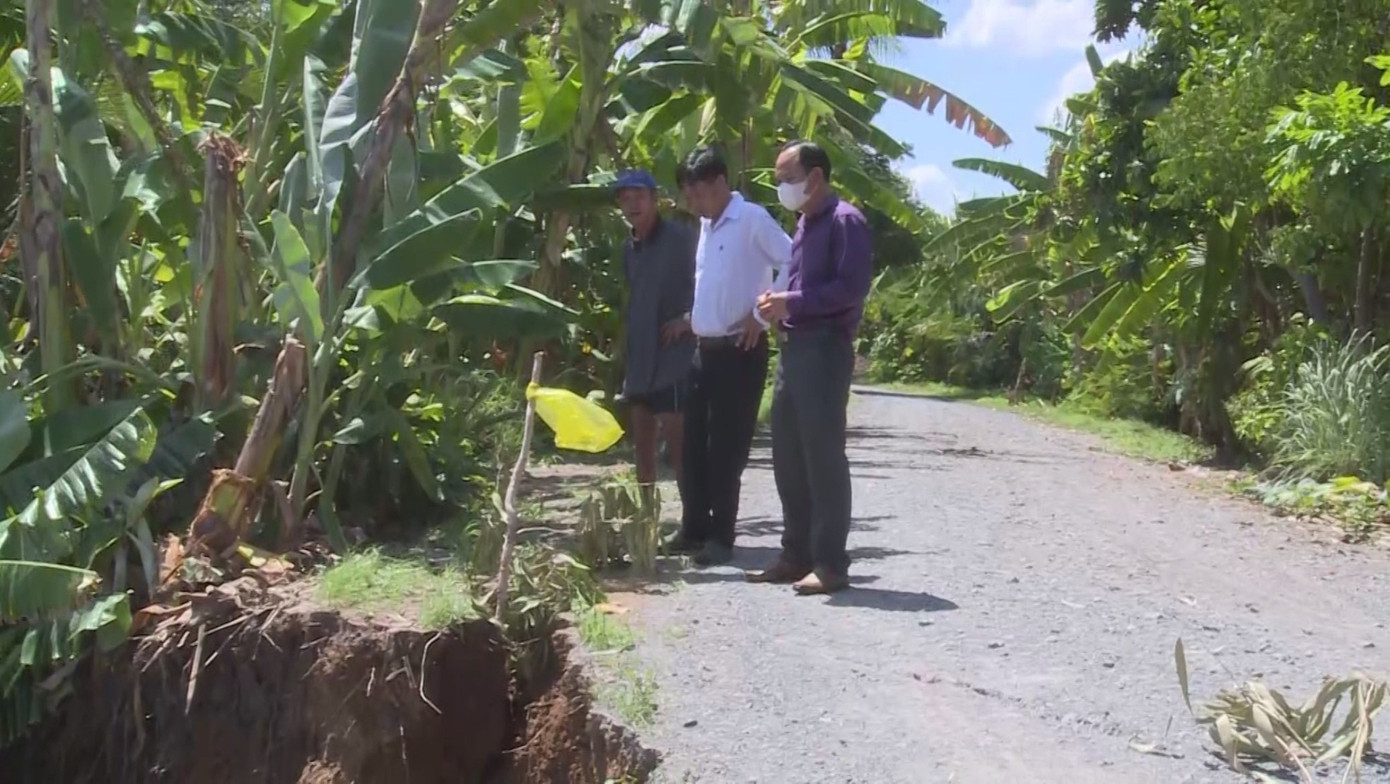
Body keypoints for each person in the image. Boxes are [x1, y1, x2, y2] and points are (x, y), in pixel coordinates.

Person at [749, 140, 873, 595]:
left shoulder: (846, 221)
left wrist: (792, 302)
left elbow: (851, 289)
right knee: (788, 455)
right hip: (794, 347)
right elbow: (799, 285)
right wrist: (777, 304)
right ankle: (795, 553)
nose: (782, 188)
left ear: (816, 177)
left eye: (788, 179)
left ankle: (830, 564)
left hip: (824, 349)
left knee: (822, 457)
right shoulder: (804, 223)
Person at [672, 145, 791, 566]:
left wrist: (762, 313)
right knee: (692, 446)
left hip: (740, 351)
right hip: (703, 350)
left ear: (720, 183)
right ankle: (694, 528)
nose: (694, 204)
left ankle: (722, 536)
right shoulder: (708, 225)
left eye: (699, 193)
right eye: (689, 196)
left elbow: (793, 259)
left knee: (726, 447)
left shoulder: (751, 219)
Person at [614, 169, 696, 493]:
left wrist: (689, 319)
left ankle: (693, 513)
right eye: (625, 198)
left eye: (639, 196)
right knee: (642, 445)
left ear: (654, 199)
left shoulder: (681, 239)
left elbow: (710, 279)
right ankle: (645, 514)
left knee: (680, 446)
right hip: (640, 354)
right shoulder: (629, 248)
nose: (633, 204)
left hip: (674, 354)